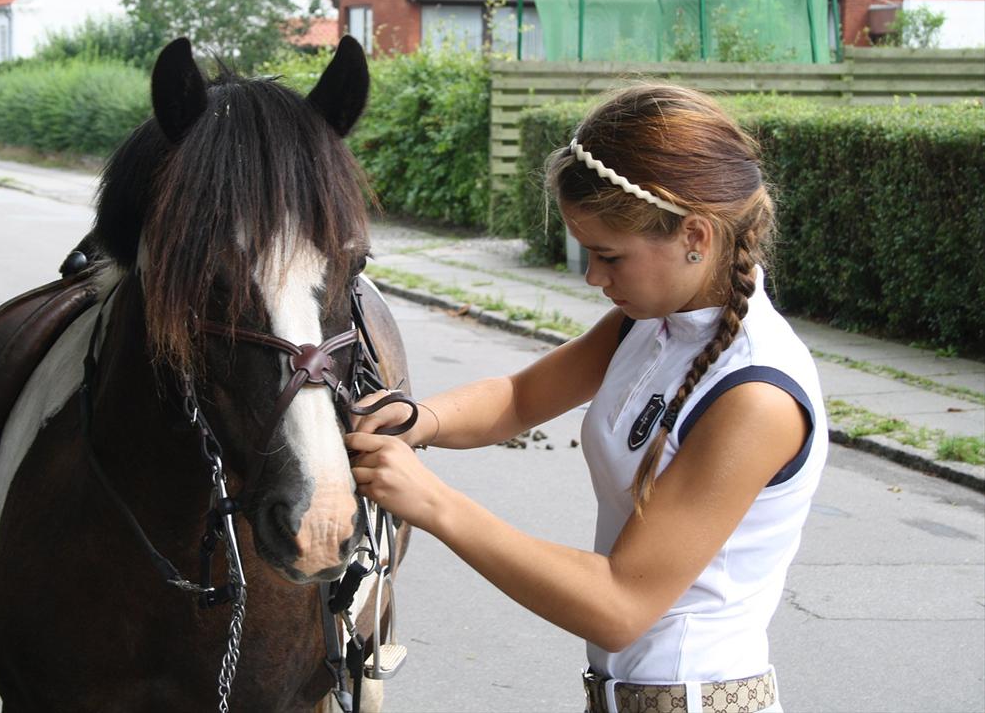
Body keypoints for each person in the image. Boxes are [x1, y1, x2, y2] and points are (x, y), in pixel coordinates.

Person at [345, 83, 827, 713]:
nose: (594, 278)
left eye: (609, 256)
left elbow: (619, 605)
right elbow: (520, 398)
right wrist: (420, 419)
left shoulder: (756, 395)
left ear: (697, 237)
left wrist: (434, 503)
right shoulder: (653, 320)